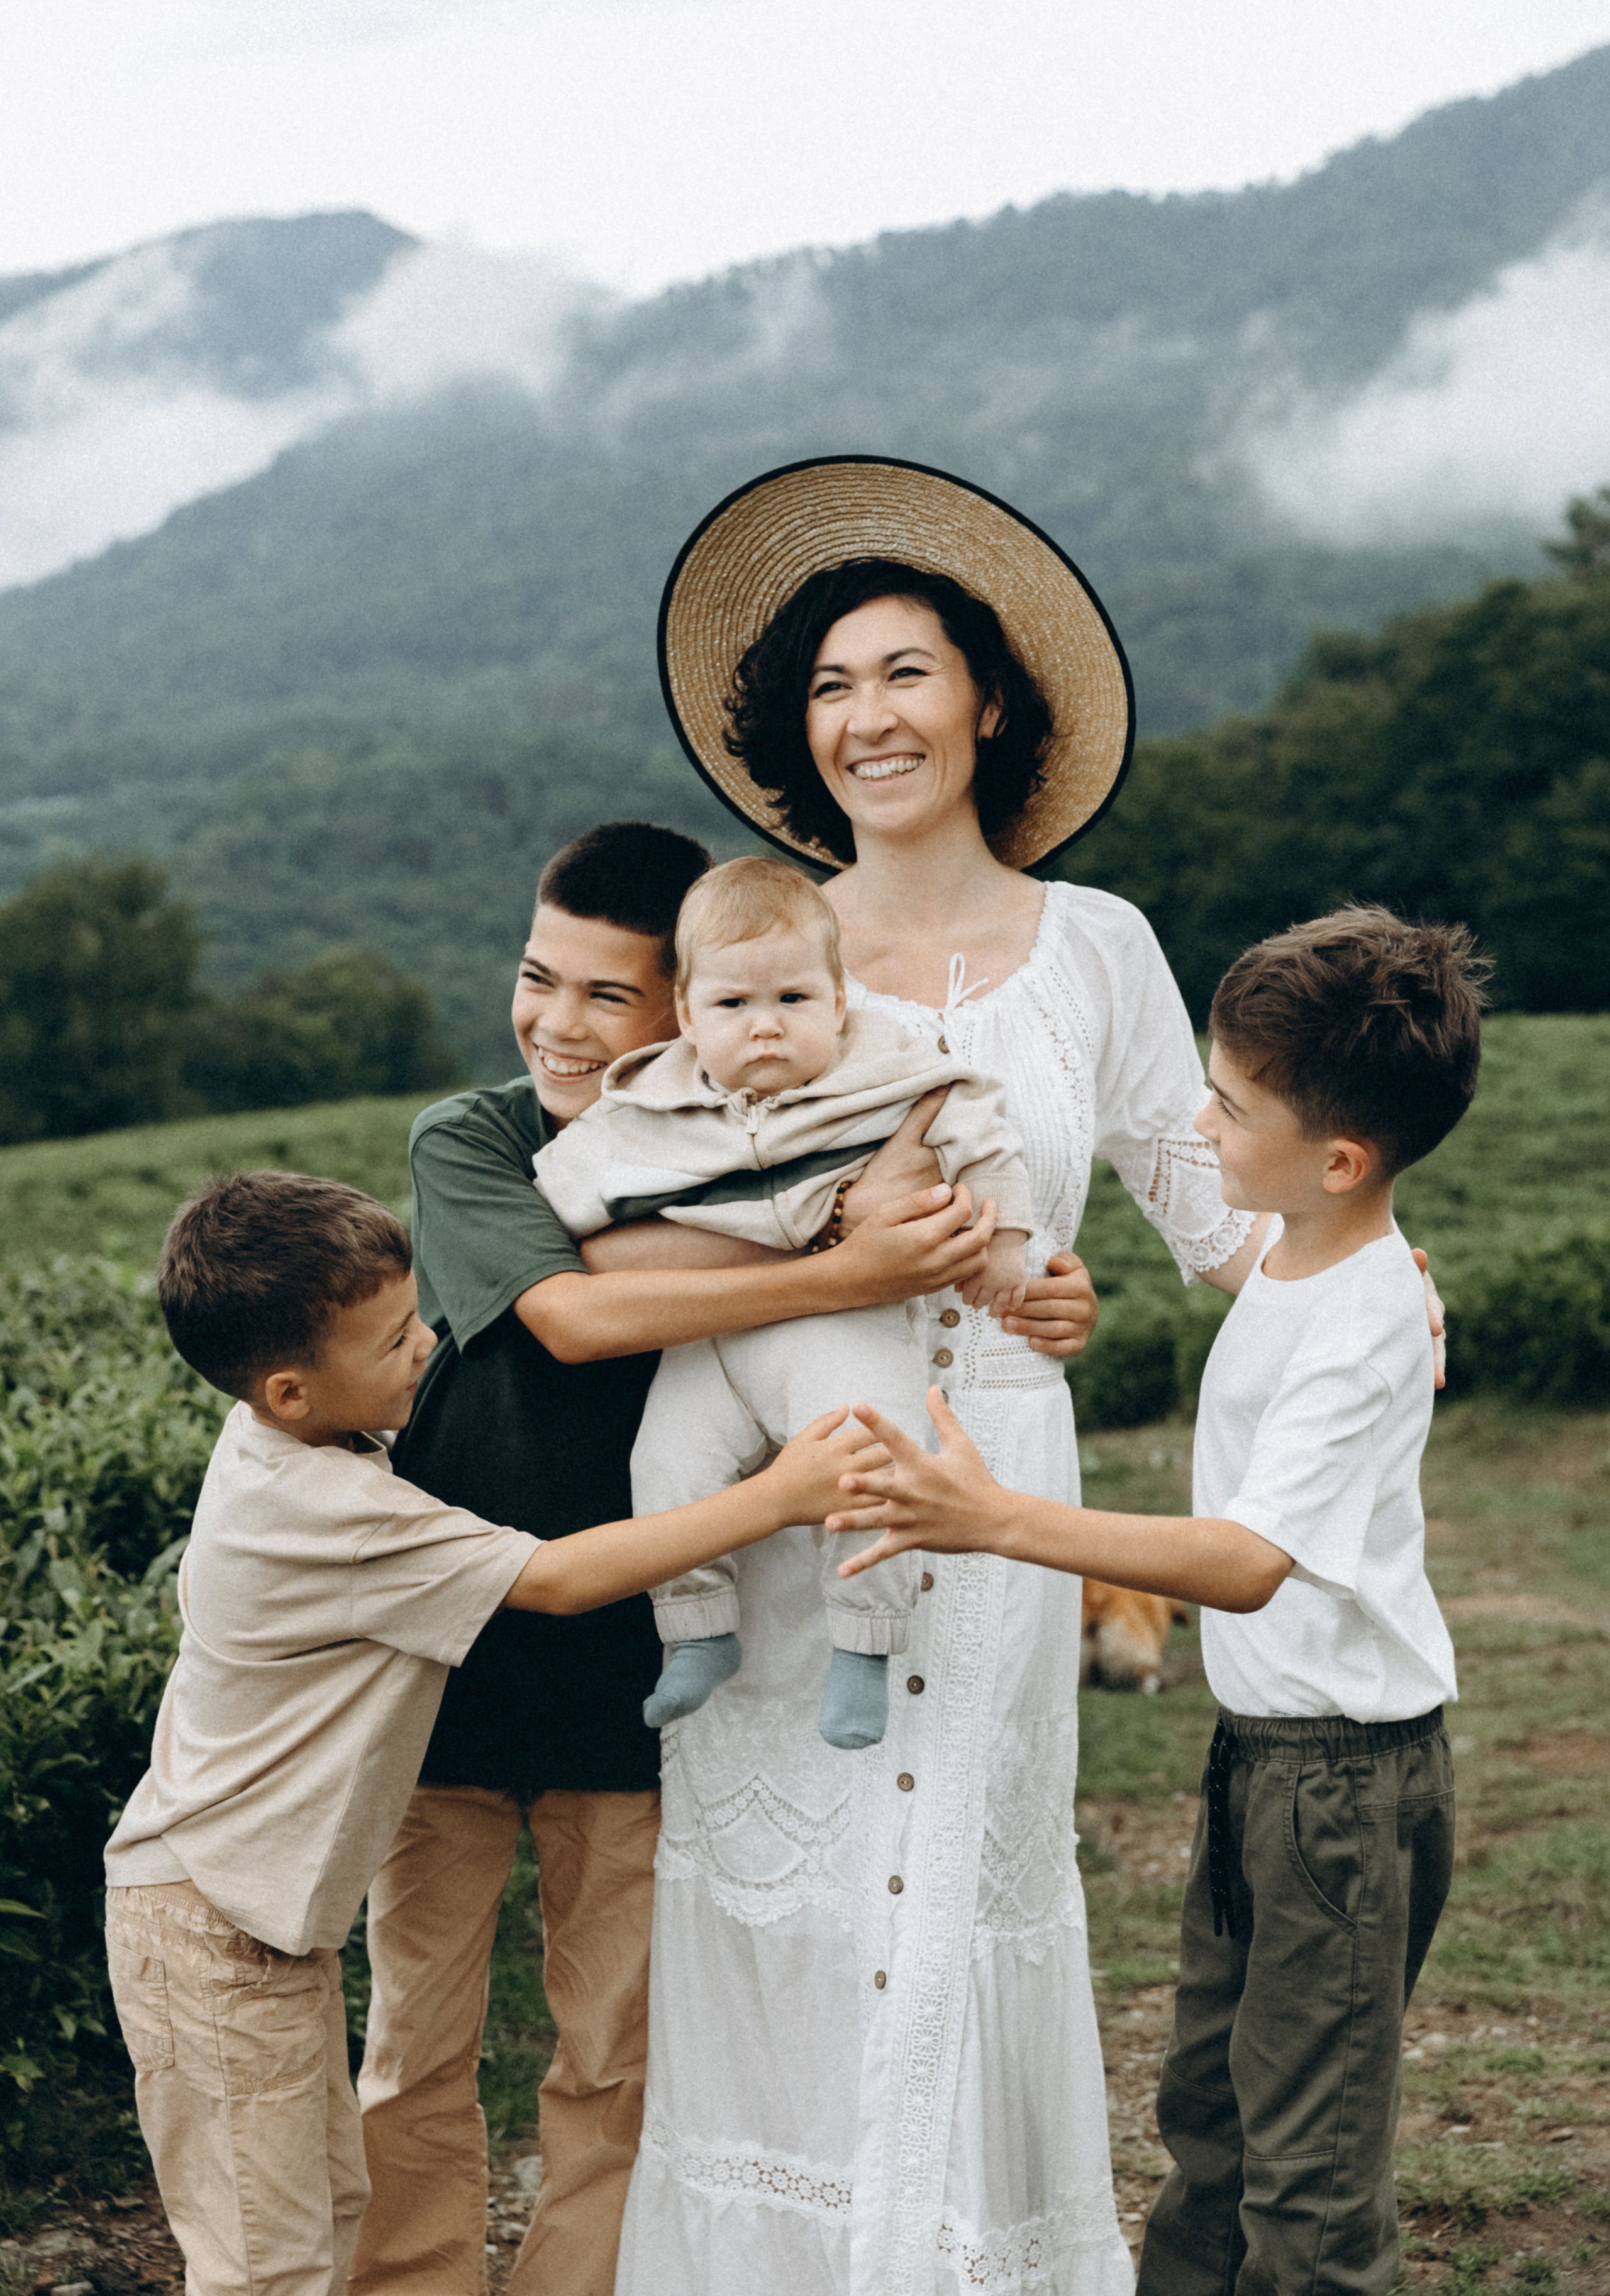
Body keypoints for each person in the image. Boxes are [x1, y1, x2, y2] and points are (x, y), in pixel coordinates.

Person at [615, 457, 1272, 2296]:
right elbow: (655, 1198)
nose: (868, 717)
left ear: (990, 702)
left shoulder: (1100, 945)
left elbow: (1211, 1202)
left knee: (965, 1871)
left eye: (906, 673)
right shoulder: (757, 944)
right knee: (787, 1894)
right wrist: (843, 1268)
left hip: (995, 1481)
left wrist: (1362, 1260)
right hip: (781, 1472)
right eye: (831, 686)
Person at [348, 821, 1093, 2295]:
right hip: (456, 1648)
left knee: (611, 2051)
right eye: (537, 978)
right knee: (414, 2043)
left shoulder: (775, 1124)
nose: (559, 1024)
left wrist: (1027, 1287)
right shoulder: (472, 1139)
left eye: (604, 995)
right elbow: (575, 1309)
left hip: (634, 1656)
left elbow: (932, 1222)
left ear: (678, 1015)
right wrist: (840, 1256)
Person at [821, 903, 1481, 2296]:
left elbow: (1244, 1560)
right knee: (1210, 2115)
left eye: (1230, 1106)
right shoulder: (1299, 1255)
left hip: (1341, 1784)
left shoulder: (1361, 1318)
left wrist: (995, 1519)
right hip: (1266, 1762)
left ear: (1338, 1160)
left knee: (1306, 2180)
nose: (1198, 1119)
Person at [102, 1169, 890, 2296]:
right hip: (214, 1928)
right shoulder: (327, 1511)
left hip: (246, 1924)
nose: (427, 1344)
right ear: (289, 1389)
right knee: (262, 2265)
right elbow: (557, 1579)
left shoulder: (303, 1447)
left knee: (320, 2220)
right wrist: (778, 1495)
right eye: (392, 1341)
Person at [535, 853, 1031, 1751]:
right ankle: (698, 1631)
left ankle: (864, 1645)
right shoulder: (650, 1099)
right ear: (688, 1013)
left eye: (793, 999)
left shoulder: (891, 1073)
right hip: (711, 1333)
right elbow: (564, 1193)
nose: (765, 1026)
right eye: (733, 1004)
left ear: (838, 1000)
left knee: (870, 1459)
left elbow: (980, 1132)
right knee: (667, 1466)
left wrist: (1007, 1243)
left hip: (845, 1322)